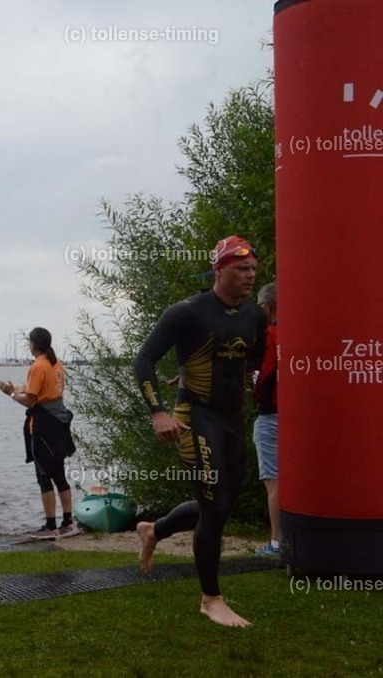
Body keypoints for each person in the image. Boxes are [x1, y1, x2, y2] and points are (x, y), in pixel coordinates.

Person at [133, 235, 267, 628]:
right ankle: (211, 600)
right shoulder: (186, 312)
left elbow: (250, 361)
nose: (249, 276)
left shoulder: (255, 317)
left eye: (254, 270)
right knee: (213, 507)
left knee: (222, 505)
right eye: (242, 269)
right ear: (219, 269)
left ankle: (153, 529)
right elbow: (143, 359)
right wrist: (158, 412)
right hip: (194, 418)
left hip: (231, 419)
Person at [0, 327, 78, 540]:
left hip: (43, 426)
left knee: (44, 475)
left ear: (33, 344)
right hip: (59, 423)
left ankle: (50, 526)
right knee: (59, 474)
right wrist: (19, 388)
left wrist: (11, 393)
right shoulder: (56, 363)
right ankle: (69, 522)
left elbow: (31, 400)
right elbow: (44, 391)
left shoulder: (37, 366)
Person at [252, 282, 279, 557]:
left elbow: (261, 373)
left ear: (267, 307)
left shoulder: (268, 335)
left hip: (271, 414)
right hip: (296, 417)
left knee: (274, 481)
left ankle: (277, 542)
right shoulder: (297, 331)